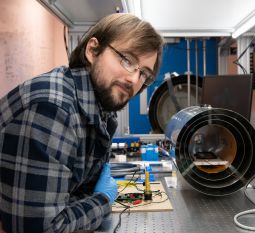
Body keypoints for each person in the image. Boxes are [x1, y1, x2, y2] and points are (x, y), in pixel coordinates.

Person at [0, 13, 163, 232]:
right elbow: (40, 228)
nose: (134, 80)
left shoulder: (102, 110)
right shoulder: (54, 109)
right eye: (126, 60)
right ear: (92, 50)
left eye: (144, 74)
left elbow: (78, 193)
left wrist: (87, 200)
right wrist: (103, 201)